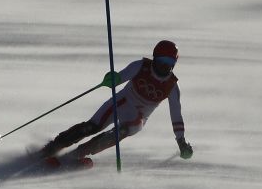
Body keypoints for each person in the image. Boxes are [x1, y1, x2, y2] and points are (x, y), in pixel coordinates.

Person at [39, 40, 193, 165]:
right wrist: (112, 79)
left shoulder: (172, 86)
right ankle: (52, 147)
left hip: (139, 117)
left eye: (169, 62)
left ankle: (76, 156)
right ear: (155, 58)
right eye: (161, 61)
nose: (165, 66)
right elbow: (121, 77)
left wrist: (181, 141)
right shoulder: (141, 66)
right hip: (122, 102)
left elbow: (176, 114)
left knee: (120, 132)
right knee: (92, 126)